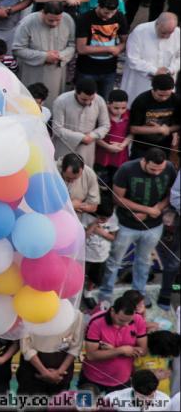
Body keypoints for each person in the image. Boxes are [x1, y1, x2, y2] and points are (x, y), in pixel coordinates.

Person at [99, 148, 178, 302]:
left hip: (153, 225)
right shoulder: (127, 169)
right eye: (153, 169)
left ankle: (138, 296)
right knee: (114, 261)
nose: (156, 173)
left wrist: (152, 211)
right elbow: (117, 198)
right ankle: (106, 295)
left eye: (159, 170)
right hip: (125, 225)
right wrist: (145, 209)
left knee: (143, 262)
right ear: (144, 161)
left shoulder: (168, 167)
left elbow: (171, 194)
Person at [11, 1, 76, 94]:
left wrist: (61, 56)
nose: (54, 24)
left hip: (56, 72)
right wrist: (44, 57)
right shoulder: (28, 22)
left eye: (58, 20)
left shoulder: (68, 20)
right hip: (32, 73)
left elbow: (72, 45)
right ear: (43, 13)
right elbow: (17, 49)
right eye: (50, 20)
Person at [51, 78, 110, 165]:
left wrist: (92, 135)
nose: (88, 102)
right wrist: (81, 137)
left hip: (87, 149)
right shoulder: (61, 101)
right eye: (84, 99)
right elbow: (57, 129)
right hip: (64, 146)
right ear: (76, 92)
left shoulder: (99, 100)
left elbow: (105, 125)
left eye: (91, 99)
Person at [120, 13, 179, 99]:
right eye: (163, 33)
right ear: (157, 24)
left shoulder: (178, 33)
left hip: (165, 87)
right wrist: (155, 71)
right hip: (139, 84)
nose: (166, 37)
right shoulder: (140, 31)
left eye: (170, 33)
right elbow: (132, 59)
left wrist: (171, 69)